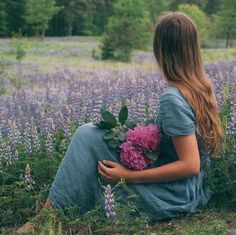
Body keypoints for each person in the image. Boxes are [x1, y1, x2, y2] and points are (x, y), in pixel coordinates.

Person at [16, 11, 223, 234]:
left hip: (174, 194)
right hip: (188, 189)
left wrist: (127, 175)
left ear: (160, 49)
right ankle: (51, 211)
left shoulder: (172, 98)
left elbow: (190, 165)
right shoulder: (197, 87)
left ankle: (44, 218)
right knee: (90, 134)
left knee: (86, 138)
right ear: (193, 48)